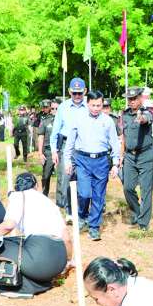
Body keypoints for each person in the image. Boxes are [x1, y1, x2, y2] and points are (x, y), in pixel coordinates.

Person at [0, 172, 71, 299]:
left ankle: (18, 286)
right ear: (36, 186)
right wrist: (68, 261)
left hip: (39, 257)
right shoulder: (48, 202)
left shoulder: (18, 196)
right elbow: (67, 238)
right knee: (19, 241)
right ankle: (40, 282)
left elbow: (8, 225)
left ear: (16, 188)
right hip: (58, 261)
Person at [63, 90, 120, 241]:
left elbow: (115, 143)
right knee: (84, 193)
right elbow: (70, 142)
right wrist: (67, 161)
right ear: (87, 104)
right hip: (83, 160)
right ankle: (82, 215)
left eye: (99, 105)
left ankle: (94, 227)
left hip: (101, 161)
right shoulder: (78, 119)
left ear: (102, 105)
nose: (96, 108)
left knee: (98, 196)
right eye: (93, 105)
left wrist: (115, 164)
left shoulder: (108, 121)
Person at [51, 78, 88, 214]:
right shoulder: (63, 107)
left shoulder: (89, 106)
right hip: (67, 146)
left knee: (83, 179)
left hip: (84, 147)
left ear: (85, 91)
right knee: (66, 178)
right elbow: (55, 130)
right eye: (74, 93)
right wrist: (54, 151)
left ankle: (81, 210)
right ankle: (68, 210)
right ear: (69, 92)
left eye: (80, 93)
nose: (77, 96)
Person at [120, 86, 153, 230]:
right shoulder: (125, 114)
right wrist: (121, 155)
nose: (132, 101)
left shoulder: (147, 112)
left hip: (145, 155)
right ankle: (137, 211)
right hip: (129, 156)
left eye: (135, 98)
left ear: (141, 98)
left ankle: (143, 223)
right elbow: (124, 136)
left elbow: (147, 118)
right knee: (127, 187)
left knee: (146, 190)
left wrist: (142, 119)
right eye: (130, 99)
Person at [37, 99, 58, 196]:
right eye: (52, 108)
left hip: (61, 150)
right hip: (48, 151)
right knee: (46, 176)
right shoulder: (45, 121)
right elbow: (40, 137)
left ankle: (63, 200)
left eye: (56, 109)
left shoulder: (65, 120)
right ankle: (44, 195)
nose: (54, 110)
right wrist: (40, 153)